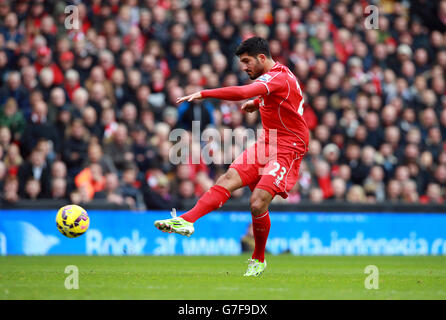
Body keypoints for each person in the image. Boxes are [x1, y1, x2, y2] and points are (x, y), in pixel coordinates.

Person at [154, 37, 309, 277]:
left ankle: (258, 259)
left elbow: (242, 91)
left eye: (247, 62)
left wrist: (205, 93)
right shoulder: (280, 76)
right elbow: (288, 100)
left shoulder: (278, 77)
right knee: (227, 178)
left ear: (261, 58)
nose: (244, 67)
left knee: (257, 202)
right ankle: (186, 220)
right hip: (267, 142)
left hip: (289, 146)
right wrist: (258, 103)